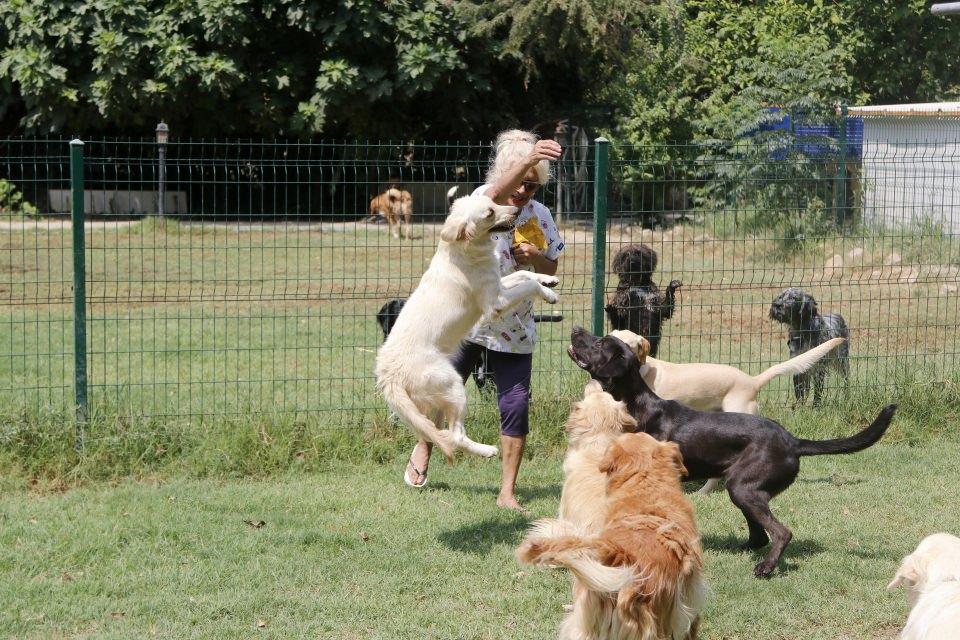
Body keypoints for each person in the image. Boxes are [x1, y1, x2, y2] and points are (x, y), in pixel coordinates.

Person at [403, 130, 564, 510]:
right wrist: (528, 159)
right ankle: (425, 446)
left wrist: (534, 257)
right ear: (506, 173)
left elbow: (552, 267)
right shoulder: (480, 203)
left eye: (532, 186)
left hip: (514, 326)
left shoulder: (540, 217)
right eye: (520, 181)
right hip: (469, 324)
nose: (524, 191)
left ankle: (507, 492)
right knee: (442, 392)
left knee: (515, 406)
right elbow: (492, 195)